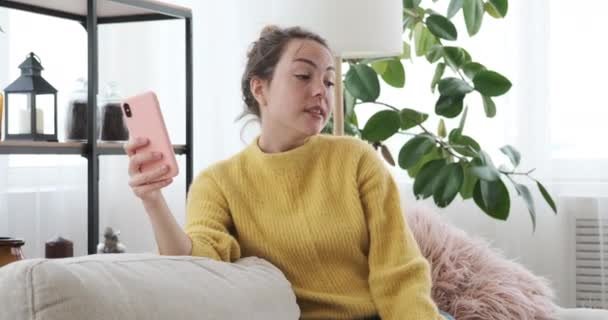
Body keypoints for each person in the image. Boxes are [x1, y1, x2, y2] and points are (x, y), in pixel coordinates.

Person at [124, 25, 453, 320]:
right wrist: (153, 200)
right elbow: (197, 264)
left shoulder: (356, 159)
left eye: (328, 81)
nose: (320, 91)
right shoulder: (219, 183)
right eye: (303, 76)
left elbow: (399, 271)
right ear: (260, 89)